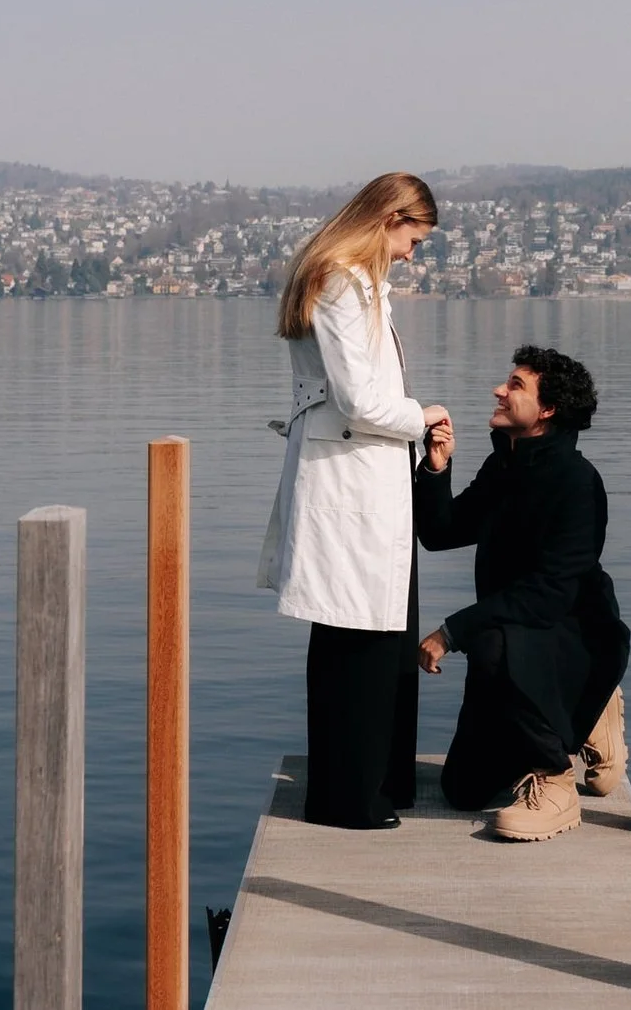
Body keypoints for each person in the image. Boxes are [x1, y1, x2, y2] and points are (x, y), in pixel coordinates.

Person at [259, 173, 452, 830]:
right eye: (413, 237)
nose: (413, 253)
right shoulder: (342, 282)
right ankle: (349, 796)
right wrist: (419, 415)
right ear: (388, 217)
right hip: (349, 479)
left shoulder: (359, 284)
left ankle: (379, 783)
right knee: (354, 637)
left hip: (367, 477)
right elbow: (359, 399)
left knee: (376, 635)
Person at [414, 345, 630, 842]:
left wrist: (452, 631)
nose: (499, 389)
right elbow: (441, 532)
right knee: (463, 790)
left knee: (493, 640)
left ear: (547, 409)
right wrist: (437, 468)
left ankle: (556, 779)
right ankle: (584, 712)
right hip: (512, 643)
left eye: (515, 385)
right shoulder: (505, 469)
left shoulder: (577, 481)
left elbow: (549, 595)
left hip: (572, 637)